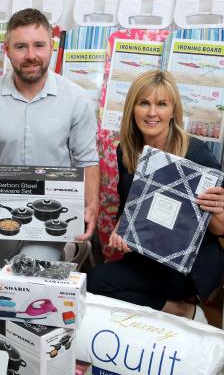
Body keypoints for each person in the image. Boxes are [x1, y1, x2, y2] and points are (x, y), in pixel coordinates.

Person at [0, 8, 100, 267]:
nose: (31, 56)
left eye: (39, 45)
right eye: (21, 47)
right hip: (6, 207)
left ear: (52, 47)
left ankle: (67, 248)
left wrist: (91, 205)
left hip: (53, 215)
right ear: (7, 49)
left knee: (28, 271)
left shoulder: (75, 98)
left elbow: (87, 160)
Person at [87, 70, 224, 321]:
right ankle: (174, 311)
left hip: (187, 266)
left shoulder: (196, 153)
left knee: (97, 283)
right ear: (133, 109)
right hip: (147, 256)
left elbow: (218, 229)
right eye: (144, 103)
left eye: (161, 104)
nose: (152, 113)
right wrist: (122, 227)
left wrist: (219, 211)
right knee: (96, 283)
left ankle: (187, 312)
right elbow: (128, 207)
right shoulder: (126, 151)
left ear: (173, 111)